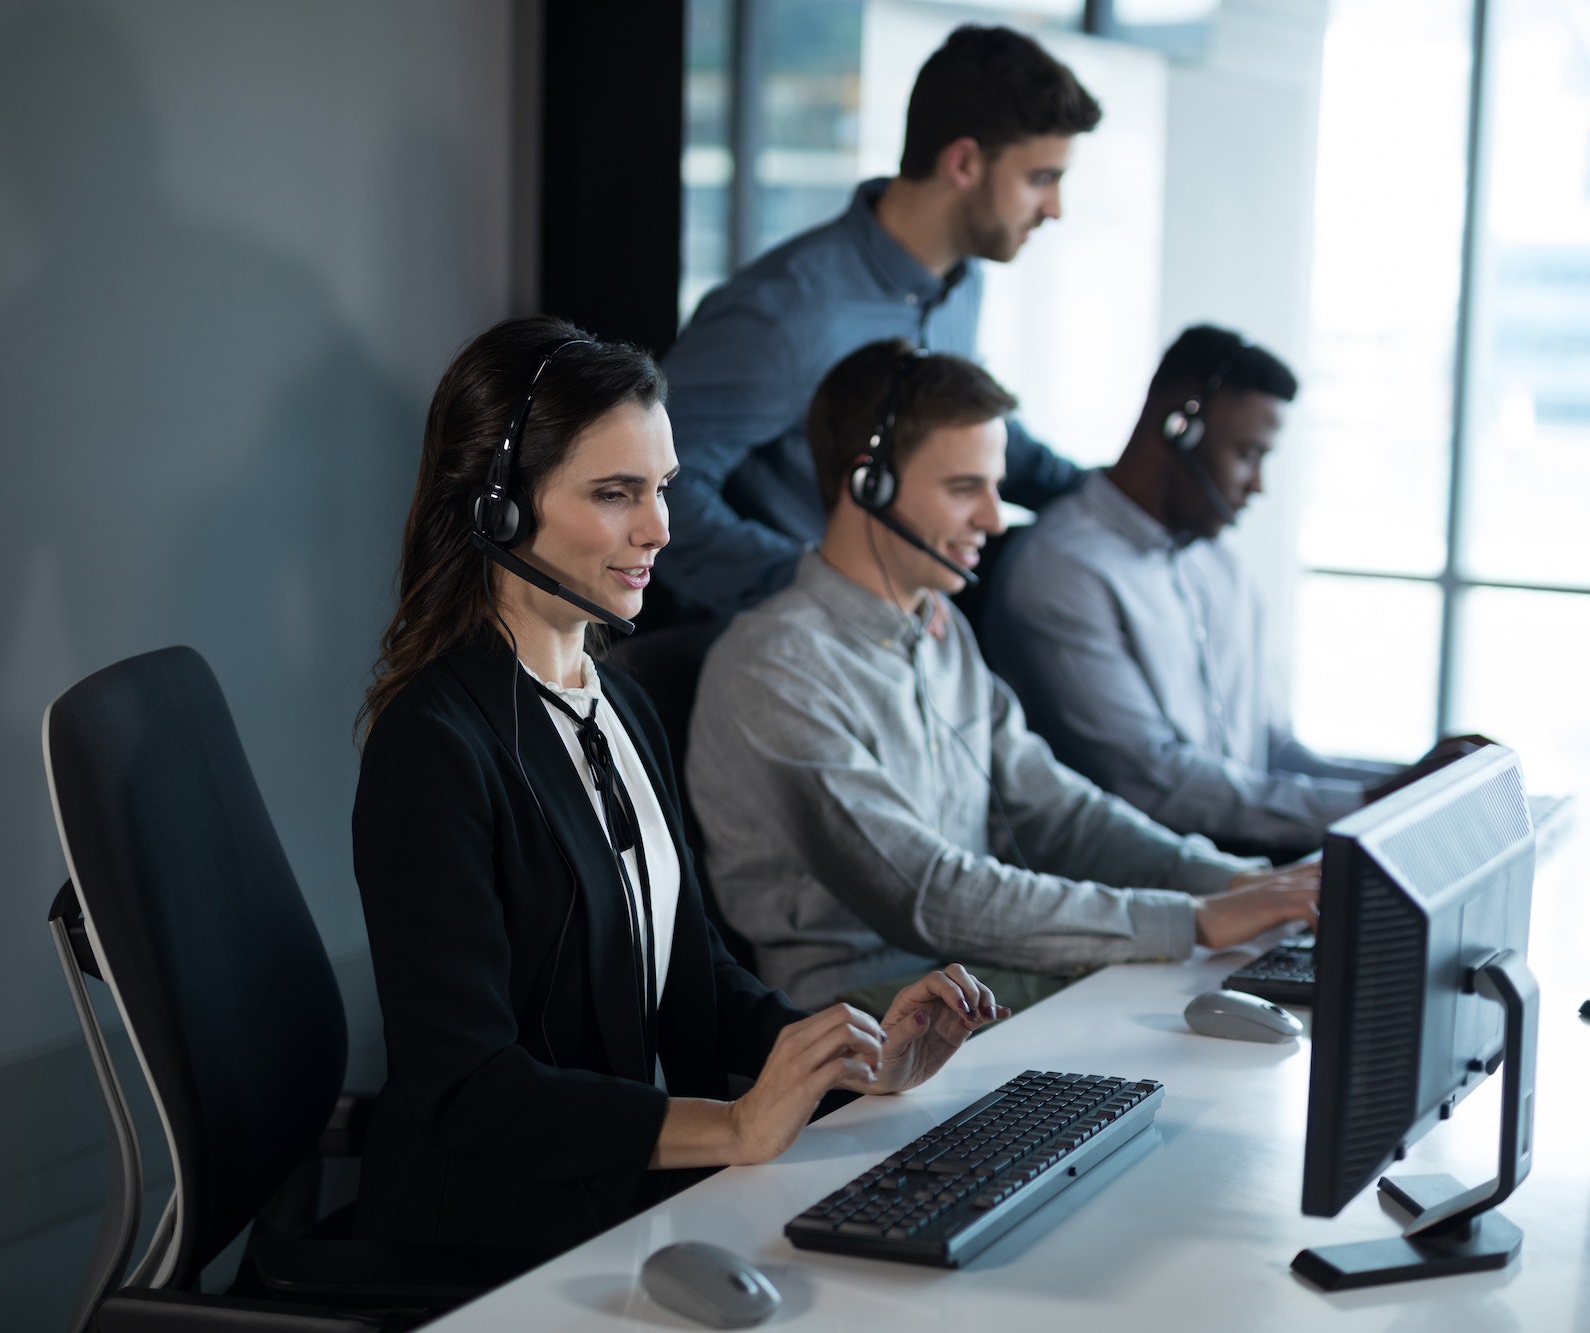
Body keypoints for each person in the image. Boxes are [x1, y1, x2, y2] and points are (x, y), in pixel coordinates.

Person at [351, 317, 1002, 1253]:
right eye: (616, 494)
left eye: (662, 489)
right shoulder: (434, 746)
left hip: (641, 1194)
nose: (660, 528)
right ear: (498, 506)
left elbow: (690, 975)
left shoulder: (619, 706)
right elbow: (469, 1083)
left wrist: (848, 1056)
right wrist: (735, 1126)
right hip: (504, 1230)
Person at [686, 339, 1320, 1012]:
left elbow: (1057, 811)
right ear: (868, 482)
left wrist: (1242, 883)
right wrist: (1189, 919)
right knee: (1182, 1007)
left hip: (974, 976)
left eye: (995, 485)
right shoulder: (774, 667)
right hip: (862, 1014)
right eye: (965, 489)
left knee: (1222, 998)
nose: (994, 518)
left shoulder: (940, 628)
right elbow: (928, 891)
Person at [653, 24, 1100, 621]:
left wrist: (1116, 498)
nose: (1055, 209)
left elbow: (967, 434)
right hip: (788, 645)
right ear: (964, 162)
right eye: (1041, 179)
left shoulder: (962, 283)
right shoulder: (785, 313)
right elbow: (657, 491)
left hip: (900, 624)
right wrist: (828, 586)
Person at [985, 325, 1430, 863]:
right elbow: (1155, 784)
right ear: (1178, 427)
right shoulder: (1063, 569)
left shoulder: (1219, 561)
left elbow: (1272, 754)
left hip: (1253, 875)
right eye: (1247, 453)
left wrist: (1415, 787)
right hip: (1146, 894)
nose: (1259, 483)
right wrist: (1371, 804)